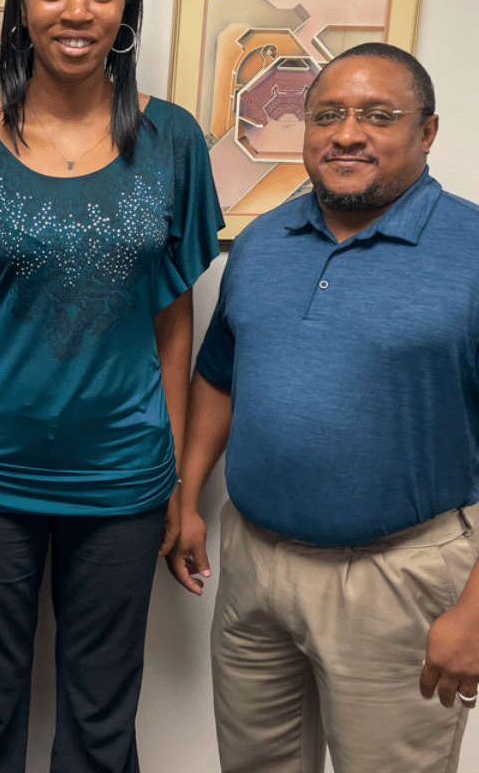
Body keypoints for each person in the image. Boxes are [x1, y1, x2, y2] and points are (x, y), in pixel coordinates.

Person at [0, 0, 221, 773]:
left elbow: (174, 317)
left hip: (124, 472)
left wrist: (172, 473)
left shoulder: (172, 142)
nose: (77, 10)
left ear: (126, 10)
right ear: (22, 5)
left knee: (101, 716)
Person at [168, 43, 479, 773]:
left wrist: (474, 611)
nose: (347, 134)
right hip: (254, 565)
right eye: (328, 114)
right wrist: (185, 496)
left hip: (398, 577)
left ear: (427, 132)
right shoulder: (264, 240)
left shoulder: (471, 248)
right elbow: (219, 376)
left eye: (378, 116)